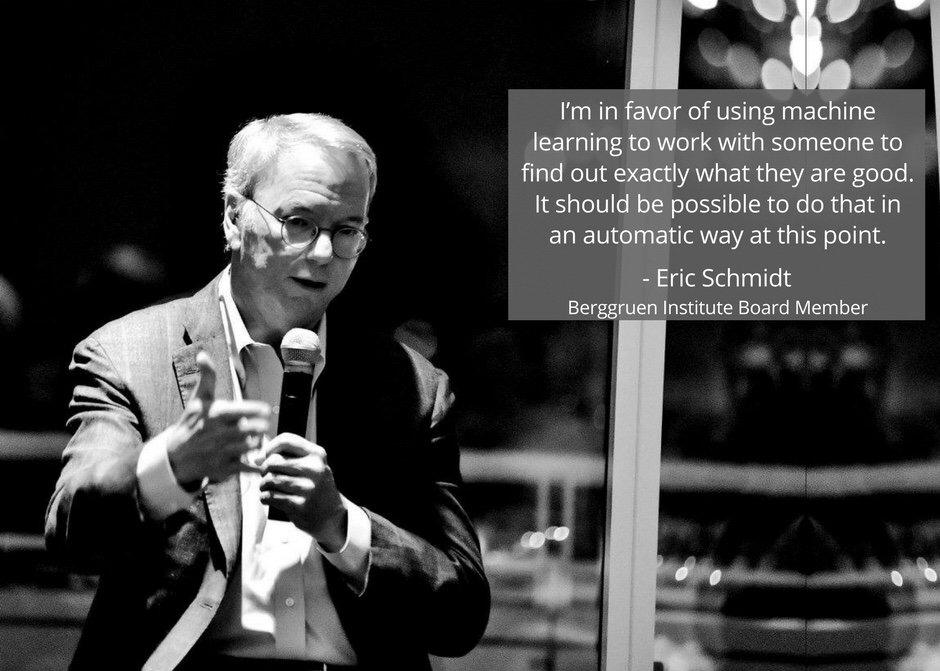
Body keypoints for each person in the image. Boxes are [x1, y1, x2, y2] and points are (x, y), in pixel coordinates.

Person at [45, 113, 490, 671]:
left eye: (347, 230)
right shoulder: (127, 354)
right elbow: (71, 535)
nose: (324, 253)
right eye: (299, 222)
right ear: (234, 217)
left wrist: (341, 526)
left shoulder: (412, 388)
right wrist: (170, 467)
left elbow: (461, 615)